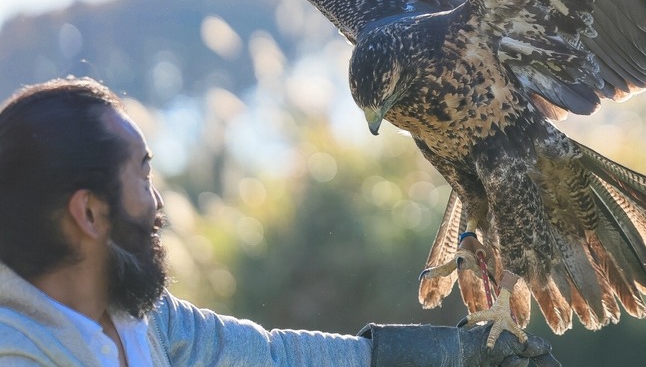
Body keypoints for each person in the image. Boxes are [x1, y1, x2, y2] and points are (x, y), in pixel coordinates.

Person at [0, 77, 558, 366]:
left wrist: (447, 360)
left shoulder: (137, 318)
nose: (158, 203)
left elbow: (270, 359)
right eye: (143, 177)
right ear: (90, 213)